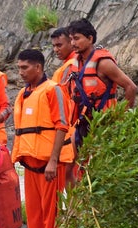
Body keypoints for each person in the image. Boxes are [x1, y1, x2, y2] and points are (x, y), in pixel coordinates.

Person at [11, 49, 74, 228]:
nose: (20, 72)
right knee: (35, 214)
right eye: (19, 68)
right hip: (30, 164)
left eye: (25, 67)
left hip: (49, 165)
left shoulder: (53, 90)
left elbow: (62, 125)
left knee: (51, 214)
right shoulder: (23, 94)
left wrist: (53, 161)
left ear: (38, 67)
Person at [67, 18, 137, 151]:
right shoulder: (77, 63)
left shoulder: (103, 63)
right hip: (83, 123)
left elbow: (131, 87)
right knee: (78, 165)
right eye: (71, 39)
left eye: (76, 38)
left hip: (105, 124)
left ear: (90, 38)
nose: (73, 43)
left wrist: (122, 120)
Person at [50, 27, 78, 186]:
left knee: (69, 171)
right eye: (54, 46)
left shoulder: (71, 66)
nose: (55, 49)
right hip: (70, 124)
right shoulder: (71, 64)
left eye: (59, 45)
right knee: (70, 171)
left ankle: (78, 209)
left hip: (71, 126)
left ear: (71, 42)